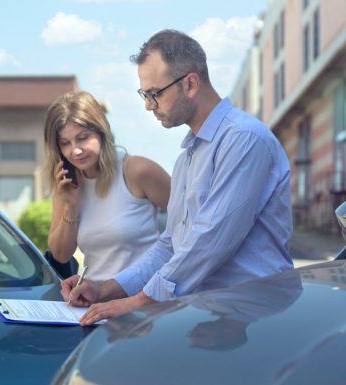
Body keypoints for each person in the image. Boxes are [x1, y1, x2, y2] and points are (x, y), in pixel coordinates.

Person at [61, 29, 294, 326]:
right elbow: (171, 246)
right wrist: (105, 290)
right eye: (144, 95)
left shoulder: (245, 140)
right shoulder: (187, 157)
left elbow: (209, 243)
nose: (148, 105)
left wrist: (137, 303)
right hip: (208, 318)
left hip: (254, 320)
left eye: (154, 93)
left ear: (191, 83)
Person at [44, 90, 170, 281]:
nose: (75, 150)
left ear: (101, 131)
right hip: (95, 301)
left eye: (82, 137)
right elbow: (61, 255)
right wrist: (70, 207)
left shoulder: (138, 171)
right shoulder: (67, 185)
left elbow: (193, 221)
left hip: (145, 301)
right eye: (65, 143)